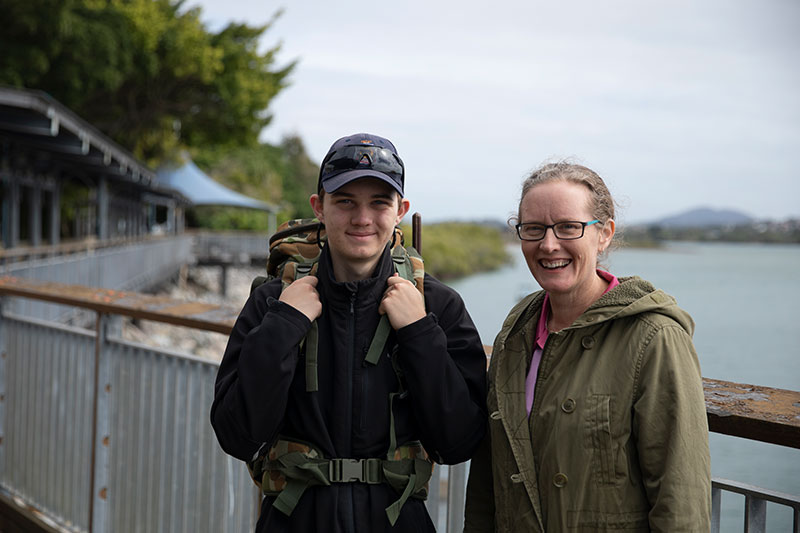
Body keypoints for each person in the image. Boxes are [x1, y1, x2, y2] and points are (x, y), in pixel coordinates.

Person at [211, 133, 487, 532]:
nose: (362, 218)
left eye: (379, 203)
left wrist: (419, 333)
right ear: (319, 207)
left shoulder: (437, 306)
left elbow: (459, 443)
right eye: (345, 201)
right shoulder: (273, 301)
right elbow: (237, 436)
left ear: (400, 211)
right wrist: (284, 325)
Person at [464, 162, 711, 532]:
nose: (549, 244)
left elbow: (681, 502)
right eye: (534, 228)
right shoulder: (515, 334)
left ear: (604, 234)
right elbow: (490, 479)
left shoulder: (653, 337)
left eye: (568, 227)